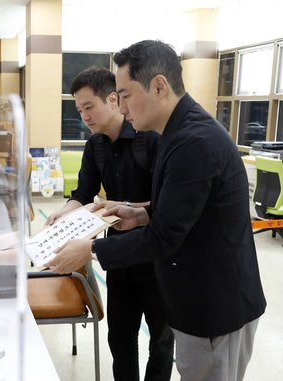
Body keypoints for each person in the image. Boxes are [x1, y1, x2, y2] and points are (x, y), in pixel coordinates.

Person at [45, 40, 266, 381]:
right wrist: (138, 211)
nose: (122, 105)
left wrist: (89, 248)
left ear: (159, 86)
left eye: (126, 94)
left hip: (215, 306)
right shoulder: (178, 133)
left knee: (169, 353)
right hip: (194, 296)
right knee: (124, 337)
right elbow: (184, 208)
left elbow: (166, 236)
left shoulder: (191, 141)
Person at [45, 67, 173, 381]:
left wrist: (127, 209)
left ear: (113, 99)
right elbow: (82, 195)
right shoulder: (95, 147)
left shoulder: (150, 140)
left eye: (89, 106)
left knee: (161, 341)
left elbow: (165, 207)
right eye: (79, 110)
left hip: (156, 257)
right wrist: (64, 213)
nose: (84, 116)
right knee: (120, 337)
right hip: (117, 256)